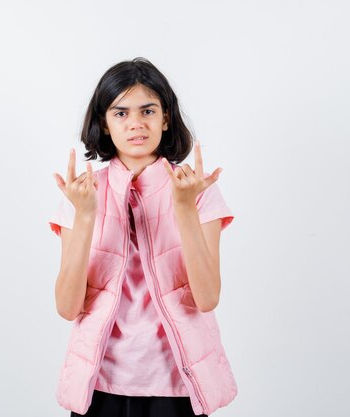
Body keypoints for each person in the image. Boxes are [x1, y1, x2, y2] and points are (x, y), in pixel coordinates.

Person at [48, 57, 237, 417]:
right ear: (103, 124)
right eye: (120, 113)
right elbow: (67, 307)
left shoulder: (197, 191)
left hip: (179, 386)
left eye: (148, 110)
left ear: (166, 118)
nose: (135, 123)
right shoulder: (82, 194)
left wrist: (183, 207)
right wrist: (86, 214)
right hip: (99, 386)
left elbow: (207, 297)